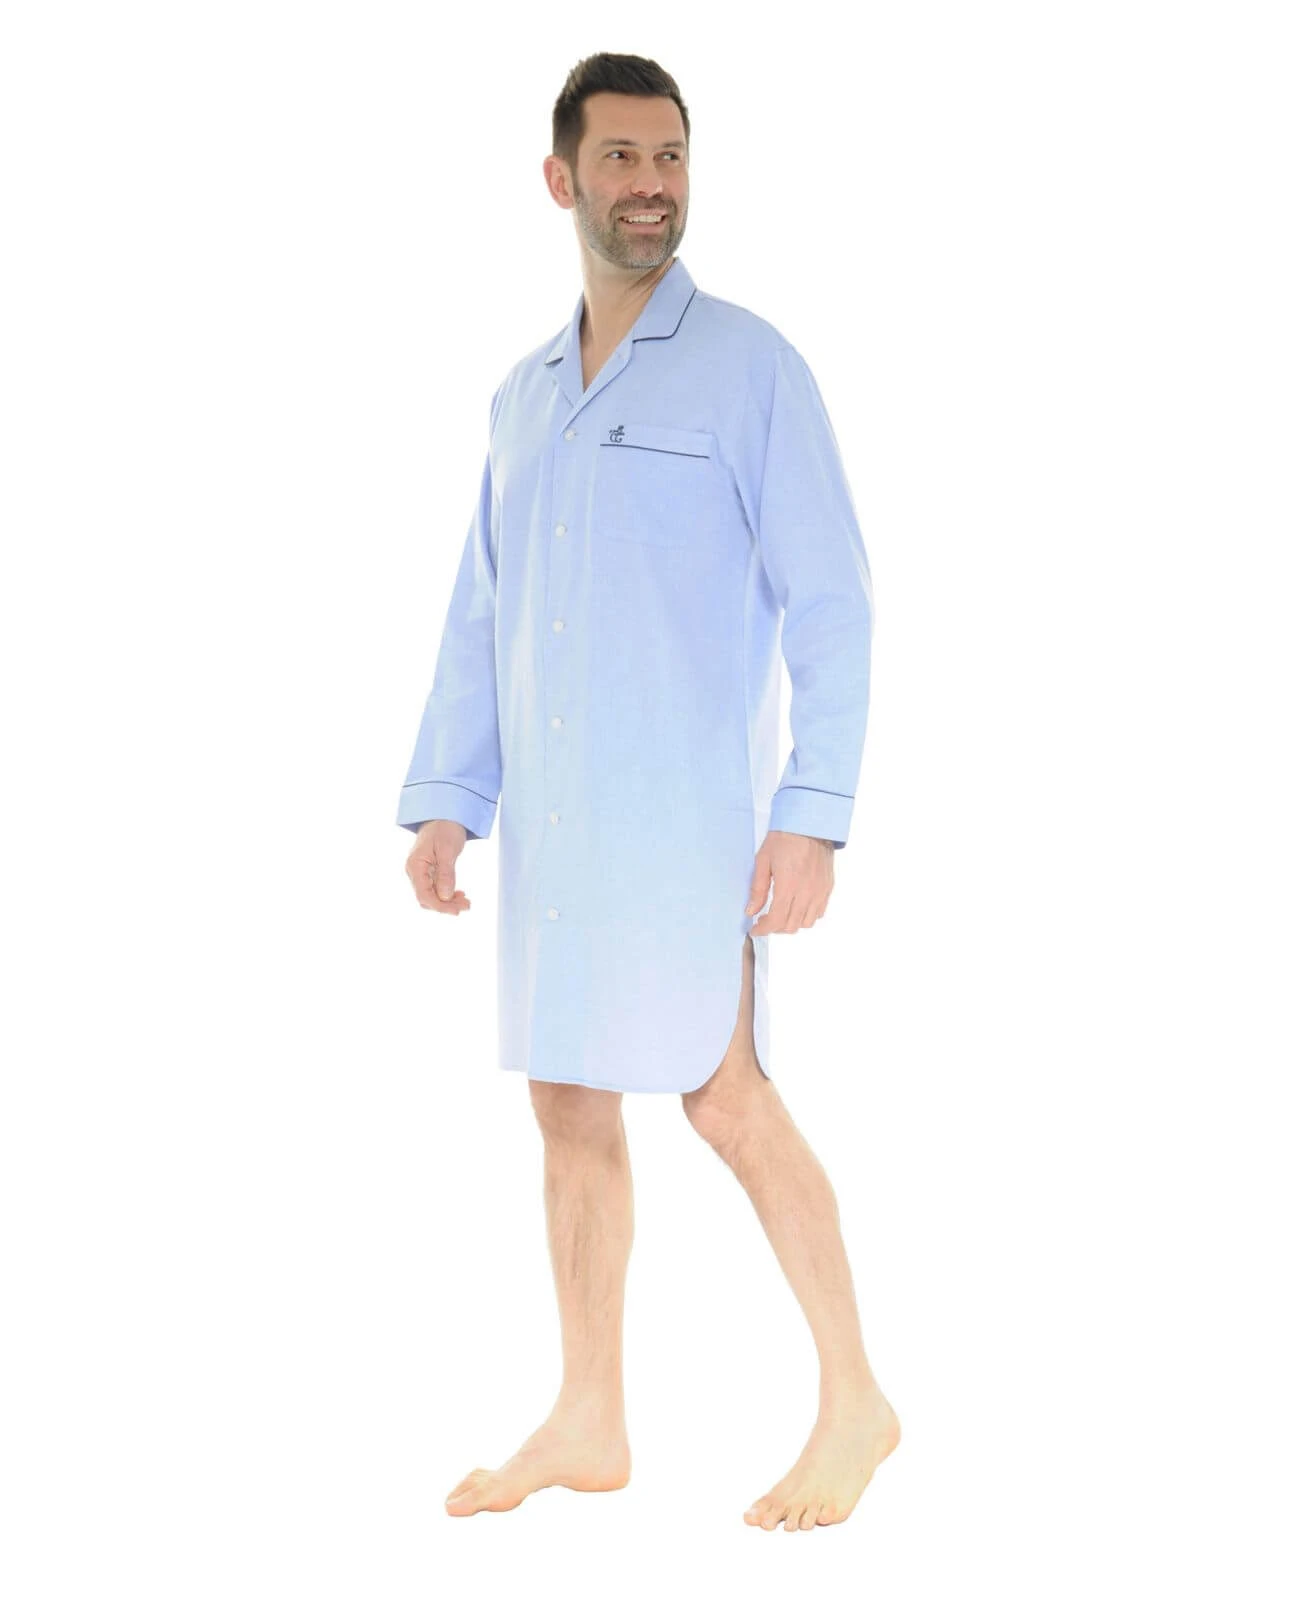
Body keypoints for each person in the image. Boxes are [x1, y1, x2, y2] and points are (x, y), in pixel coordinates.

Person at [397, 52, 899, 1530]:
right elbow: (483, 609)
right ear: (562, 179)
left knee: (725, 1098)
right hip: (559, 834)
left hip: (691, 827)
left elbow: (835, 601)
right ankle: (589, 1414)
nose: (649, 185)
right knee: (567, 1098)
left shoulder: (752, 369)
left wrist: (811, 810)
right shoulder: (522, 398)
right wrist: (450, 795)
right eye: (620, 158)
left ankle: (857, 1400)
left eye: (669, 157)